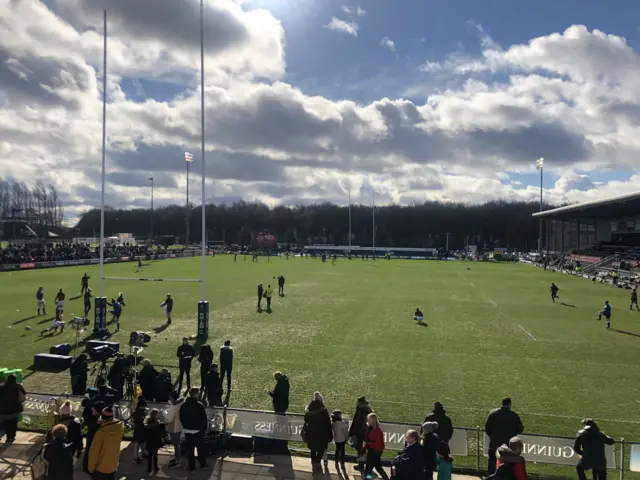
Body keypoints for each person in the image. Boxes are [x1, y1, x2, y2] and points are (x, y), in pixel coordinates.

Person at [484, 398, 524, 475]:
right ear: (509, 404)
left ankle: (491, 476)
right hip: (507, 445)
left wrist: (492, 436)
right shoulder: (513, 415)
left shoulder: (493, 413)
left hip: (494, 442)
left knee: (492, 461)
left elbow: (487, 428)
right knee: (506, 465)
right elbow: (520, 429)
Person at [87, 405, 125, 480]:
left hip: (101, 469)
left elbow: (94, 452)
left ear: (102, 417)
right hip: (113, 465)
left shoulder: (101, 432)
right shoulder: (120, 427)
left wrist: (91, 468)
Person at [179, 388, 209, 473]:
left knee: (190, 450)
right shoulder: (199, 405)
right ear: (195, 394)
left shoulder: (184, 405)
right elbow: (204, 419)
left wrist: (185, 427)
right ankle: (202, 464)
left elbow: (181, 417)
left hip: (187, 431)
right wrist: (204, 429)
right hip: (198, 431)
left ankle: (191, 467)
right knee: (200, 449)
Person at [303, 392, 333, 472]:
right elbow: (328, 423)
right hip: (322, 433)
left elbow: (306, 419)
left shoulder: (309, 408)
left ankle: (314, 462)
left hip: (312, 432)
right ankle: (317, 461)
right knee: (321, 448)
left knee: (313, 448)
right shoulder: (323, 410)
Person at [363, 413, 390, 480]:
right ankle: (386, 478)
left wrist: (367, 444)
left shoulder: (377, 431)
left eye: (368, 419)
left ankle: (367, 479)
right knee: (378, 467)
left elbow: (376, 444)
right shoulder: (371, 428)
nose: (367, 421)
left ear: (372, 420)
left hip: (374, 452)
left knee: (368, 470)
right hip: (375, 452)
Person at [349, 396, 373, 469]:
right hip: (367, 432)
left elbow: (357, 422)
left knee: (359, 448)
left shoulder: (360, 410)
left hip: (360, 432)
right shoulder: (369, 410)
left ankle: (361, 464)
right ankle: (367, 465)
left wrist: (352, 432)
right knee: (366, 449)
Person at [0, 374, 25, 443]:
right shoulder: (18, 386)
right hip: (15, 409)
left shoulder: (2, 387)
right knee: (13, 423)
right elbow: (23, 395)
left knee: (5, 422)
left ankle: (6, 434)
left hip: (3, 410)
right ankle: (11, 437)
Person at [165, 391, 184, 469]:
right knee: (177, 444)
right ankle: (177, 459)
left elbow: (169, 418)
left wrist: (164, 413)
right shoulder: (181, 404)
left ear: (172, 398)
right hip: (179, 426)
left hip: (173, 427)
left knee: (176, 445)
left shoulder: (174, 407)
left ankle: (178, 461)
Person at [144, 409, 165, 475]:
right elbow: (160, 433)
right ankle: (155, 467)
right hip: (155, 441)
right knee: (155, 455)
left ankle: (149, 468)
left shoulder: (148, 422)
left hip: (149, 441)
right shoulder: (157, 423)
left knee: (150, 455)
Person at [132, 397, 148, 464]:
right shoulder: (142, 413)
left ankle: (140, 455)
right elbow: (144, 421)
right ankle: (137, 456)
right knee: (140, 443)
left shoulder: (136, 412)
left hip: (137, 429)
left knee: (139, 443)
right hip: (141, 429)